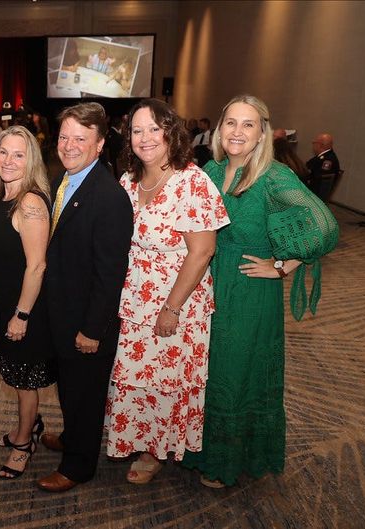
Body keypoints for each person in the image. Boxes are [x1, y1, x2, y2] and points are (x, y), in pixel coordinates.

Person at [181, 95, 339, 488]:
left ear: (262, 133)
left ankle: (228, 459)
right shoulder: (212, 171)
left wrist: (284, 265)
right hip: (209, 283)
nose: (237, 131)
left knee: (235, 374)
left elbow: (323, 225)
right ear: (219, 130)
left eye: (248, 124)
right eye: (230, 122)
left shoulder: (273, 177)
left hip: (250, 290)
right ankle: (196, 450)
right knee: (207, 370)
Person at [104, 99, 229, 484]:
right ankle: (134, 439)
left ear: (170, 132)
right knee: (133, 374)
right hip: (133, 296)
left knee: (162, 379)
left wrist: (171, 308)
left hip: (176, 298)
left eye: (153, 129)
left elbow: (203, 250)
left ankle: (153, 450)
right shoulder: (128, 180)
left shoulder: (192, 181)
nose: (144, 138)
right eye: (136, 130)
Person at [36, 102, 133, 493]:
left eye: (80, 138)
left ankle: (78, 466)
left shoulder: (108, 196)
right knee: (70, 388)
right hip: (63, 312)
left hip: (87, 322)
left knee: (85, 394)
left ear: (99, 145)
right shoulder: (66, 179)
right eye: (64, 137)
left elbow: (110, 274)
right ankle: (74, 436)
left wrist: (93, 330)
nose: (69, 145)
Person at [0, 126, 54, 479]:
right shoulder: (1, 196)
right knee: (14, 374)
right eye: (4, 153)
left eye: (18, 154)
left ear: (31, 161)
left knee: (25, 382)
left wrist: (21, 316)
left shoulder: (30, 202)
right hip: (9, 300)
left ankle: (24, 443)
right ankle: (27, 426)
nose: (9, 160)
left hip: (28, 306)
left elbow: (37, 265)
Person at [306, 132, 340, 201]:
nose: (313, 145)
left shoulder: (328, 160)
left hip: (314, 194)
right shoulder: (324, 156)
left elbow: (319, 178)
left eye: (314, 143)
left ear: (320, 145)